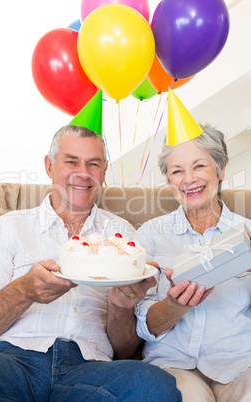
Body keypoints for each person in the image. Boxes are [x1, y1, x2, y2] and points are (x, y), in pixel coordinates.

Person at [0, 124, 182, 401]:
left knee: (154, 386)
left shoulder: (124, 236)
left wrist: (121, 307)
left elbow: (125, 350)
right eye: (71, 161)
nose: (83, 173)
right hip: (10, 362)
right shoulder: (9, 227)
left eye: (93, 164)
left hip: (89, 369)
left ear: (103, 171)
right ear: (49, 165)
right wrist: (24, 291)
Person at [107, 88, 251, 402]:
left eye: (199, 166)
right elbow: (142, 324)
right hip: (173, 365)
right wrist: (175, 306)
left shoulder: (247, 234)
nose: (188, 179)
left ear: (220, 169)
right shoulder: (150, 235)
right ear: (169, 180)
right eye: (177, 171)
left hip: (241, 364)